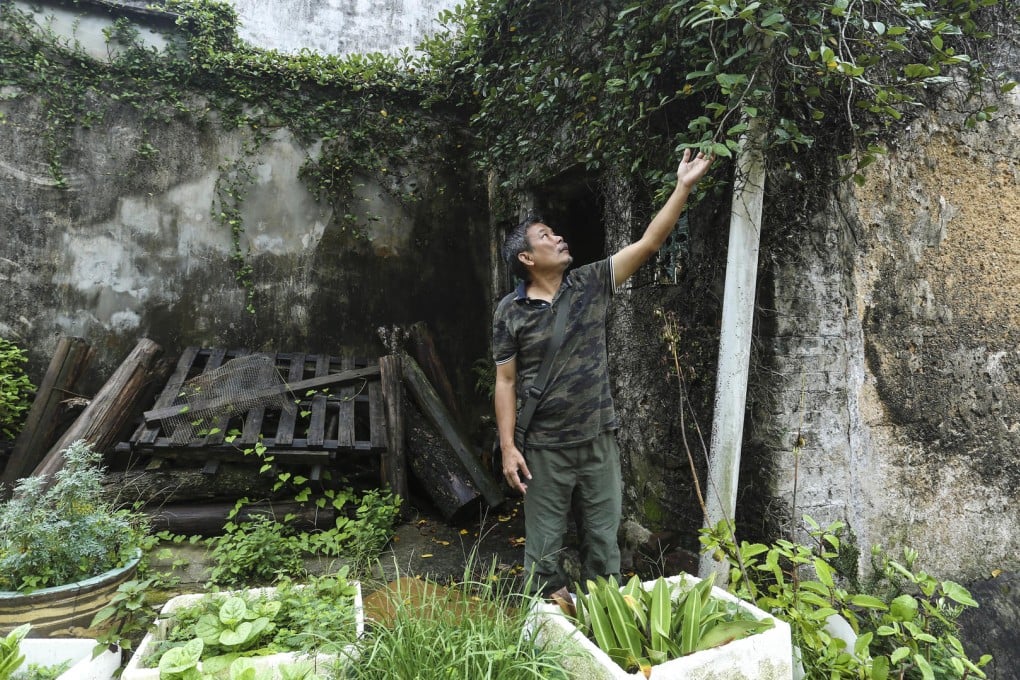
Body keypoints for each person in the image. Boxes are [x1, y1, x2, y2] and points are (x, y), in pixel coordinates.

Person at [492, 148, 714, 595]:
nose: (558, 238)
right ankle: (552, 633)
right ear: (527, 259)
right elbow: (506, 381)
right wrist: (508, 447)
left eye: (554, 232)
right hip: (544, 453)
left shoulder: (591, 283)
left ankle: (602, 628)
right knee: (543, 553)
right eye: (545, 236)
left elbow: (650, 243)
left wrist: (683, 186)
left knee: (603, 545)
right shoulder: (510, 312)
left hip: (598, 442)